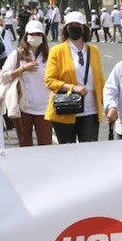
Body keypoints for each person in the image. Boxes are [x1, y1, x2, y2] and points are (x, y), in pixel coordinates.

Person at [43, 11, 106, 143]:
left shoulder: (94, 51)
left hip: (90, 110)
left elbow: (100, 80)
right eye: (70, 25)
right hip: (66, 107)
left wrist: (107, 104)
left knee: (89, 151)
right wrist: (73, 88)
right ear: (66, 29)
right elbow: (50, 81)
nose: (74, 28)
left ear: (84, 28)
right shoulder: (57, 51)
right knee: (68, 152)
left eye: (77, 24)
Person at [0, 20, 54, 146]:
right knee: (25, 146)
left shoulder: (49, 55)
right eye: (33, 34)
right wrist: (22, 69)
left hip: (45, 109)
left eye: (39, 34)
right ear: (26, 35)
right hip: (23, 108)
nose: (36, 37)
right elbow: (4, 77)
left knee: (46, 146)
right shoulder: (17, 55)